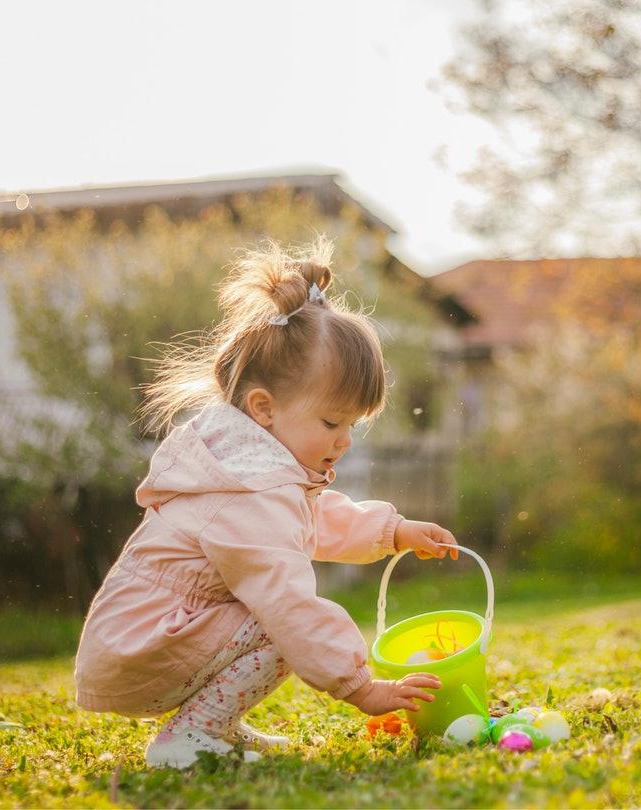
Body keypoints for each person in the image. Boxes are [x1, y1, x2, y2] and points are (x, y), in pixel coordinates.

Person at [74, 237, 459, 769]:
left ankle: (214, 725)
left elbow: (309, 519)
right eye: (331, 422)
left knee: (275, 612)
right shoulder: (250, 490)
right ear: (263, 409)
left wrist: (391, 531)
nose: (344, 439)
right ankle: (192, 736)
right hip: (145, 647)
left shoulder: (250, 469)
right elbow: (287, 599)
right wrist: (359, 687)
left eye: (351, 424)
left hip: (143, 639)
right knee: (281, 615)